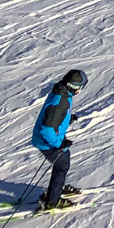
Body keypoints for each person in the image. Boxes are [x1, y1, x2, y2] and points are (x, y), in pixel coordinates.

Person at [31, 69, 87, 210]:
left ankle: (55, 191)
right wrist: (59, 143)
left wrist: (68, 118)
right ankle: (52, 201)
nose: (80, 91)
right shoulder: (61, 100)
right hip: (48, 142)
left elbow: (55, 117)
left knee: (62, 162)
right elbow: (47, 128)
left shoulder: (62, 92)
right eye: (80, 88)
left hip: (51, 138)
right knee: (62, 165)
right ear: (74, 87)